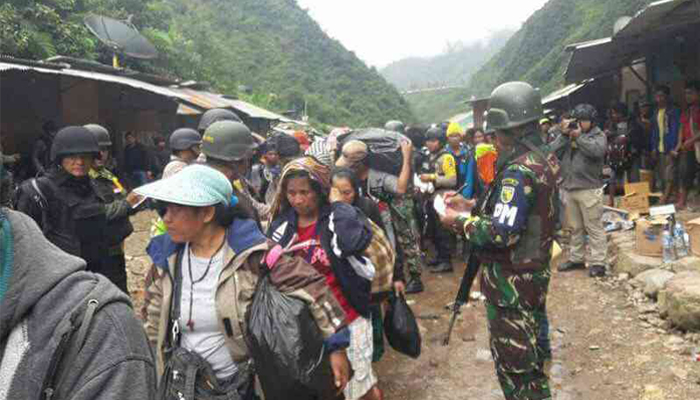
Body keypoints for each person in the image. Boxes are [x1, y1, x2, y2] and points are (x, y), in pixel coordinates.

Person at [140, 164, 351, 399]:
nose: (166, 218)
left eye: (177, 209)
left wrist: (337, 346)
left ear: (208, 213)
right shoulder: (166, 261)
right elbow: (153, 322)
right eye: (164, 209)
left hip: (243, 387)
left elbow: (314, 289)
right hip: (186, 386)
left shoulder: (254, 256)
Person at [440, 81, 559, 400]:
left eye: (495, 134)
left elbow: (502, 232)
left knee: (518, 373)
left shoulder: (518, 172)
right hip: (531, 277)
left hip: (512, 286)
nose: (492, 141)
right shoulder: (541, 160)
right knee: (532, 364)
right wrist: (472, 206)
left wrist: (459, 222)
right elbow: (519, 212)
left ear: (510, 130)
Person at [0, 160, 157, 399]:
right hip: (75, 253)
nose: (80, 163)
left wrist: (124, 205)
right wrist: (120, 206)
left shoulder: (103, 179)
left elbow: (111, 212)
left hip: (101, 256)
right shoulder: (52, 186)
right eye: (73, 156)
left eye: (89, 155)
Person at [268, 157, 381, 400]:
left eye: (305, 192)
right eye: (291, 193)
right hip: (307, 324)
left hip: (348, 317)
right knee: (328, 387)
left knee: (358, 388)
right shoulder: (281, 228)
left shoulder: (337, 219)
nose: (297, 199)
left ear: (320, 192)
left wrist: (338, 204)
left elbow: (352, 242)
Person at [331, 167, 405, 373]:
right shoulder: (329, 212)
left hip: (370, 277)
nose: (343, 197)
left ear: (356, 190)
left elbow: (385, 243)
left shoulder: (367, 207)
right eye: (337, 192)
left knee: (372, 315)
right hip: (345, 279)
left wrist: (397, 276)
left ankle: (374, 355)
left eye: (347, 192)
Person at [16, 126, 114, 279]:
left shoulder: (97, 187)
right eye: (72, 156)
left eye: (85, 156)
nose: (79, 162)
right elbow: (22, 244)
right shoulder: (38, 191)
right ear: (60, 158)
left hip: (96, 275)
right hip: (56, 278)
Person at [336, 140, 425, 294]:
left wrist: (406, 156)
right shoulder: (349, 180)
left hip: (382, 222)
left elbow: (401, 188)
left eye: (348, 163)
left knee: (395, 246)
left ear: (358, 164)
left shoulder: (378, 177)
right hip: (359, 226)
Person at [550, 104, 608, 277]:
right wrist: (563, 134)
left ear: (592, 121)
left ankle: (599, 263)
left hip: (589, 188)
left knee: (594, 227)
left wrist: (579, 137)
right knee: (575, 227)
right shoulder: (569, 136)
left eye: (584, 120)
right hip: (570, 187)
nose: (580, 123)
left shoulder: (598, 135)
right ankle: (576, 258)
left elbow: (597, 151)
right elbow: (551, 152)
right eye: (578, 120)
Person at [84, 124, 143, 293]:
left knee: (120, 294)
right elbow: (95, 212)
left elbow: (123, 198)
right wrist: (126, 204)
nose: (101, 154)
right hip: (97, 252)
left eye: (105, 149)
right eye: (96, 150)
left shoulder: (108, 175)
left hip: (116, 248)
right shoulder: (82, 181)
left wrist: (136, 201)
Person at [199, 120, 265, 225]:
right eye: (248, 158)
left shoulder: (196, 182)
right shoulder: (224, 198)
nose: (248, 164)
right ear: (237, 160)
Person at [418, 126, 457, 274]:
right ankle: (440, 257)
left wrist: (432, 177)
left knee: (442, 231)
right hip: (431, 197)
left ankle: (446, 261)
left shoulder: (446, 157)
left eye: (433, 140)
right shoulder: (430, 156)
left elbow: (452, 180)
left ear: (440, 142)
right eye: (427, 140)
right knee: (434, 230)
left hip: (442, 198)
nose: (429, 143)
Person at [649, 85, 682, 203]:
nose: (659, 98)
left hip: (670, 148)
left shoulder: (673, 111)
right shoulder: (656, 112)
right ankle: (670, 196)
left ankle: (666, 197)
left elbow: (676, 130)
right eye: (657, 96)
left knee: (670, 174)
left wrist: (674, 148)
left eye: (662, 96)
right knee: (663, 174)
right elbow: (654, 131)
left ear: (667, 97)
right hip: (659, 148)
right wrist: (653, 147)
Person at [672, 81, 700, 209]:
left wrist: (692, 140)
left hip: (697, 145)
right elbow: (681, 129)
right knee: (685, 173)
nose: (687, 96)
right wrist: (678, 145)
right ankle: (682, 202)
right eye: (686, 93)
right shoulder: (687, 111)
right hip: (688, 147)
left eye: (691, 93)